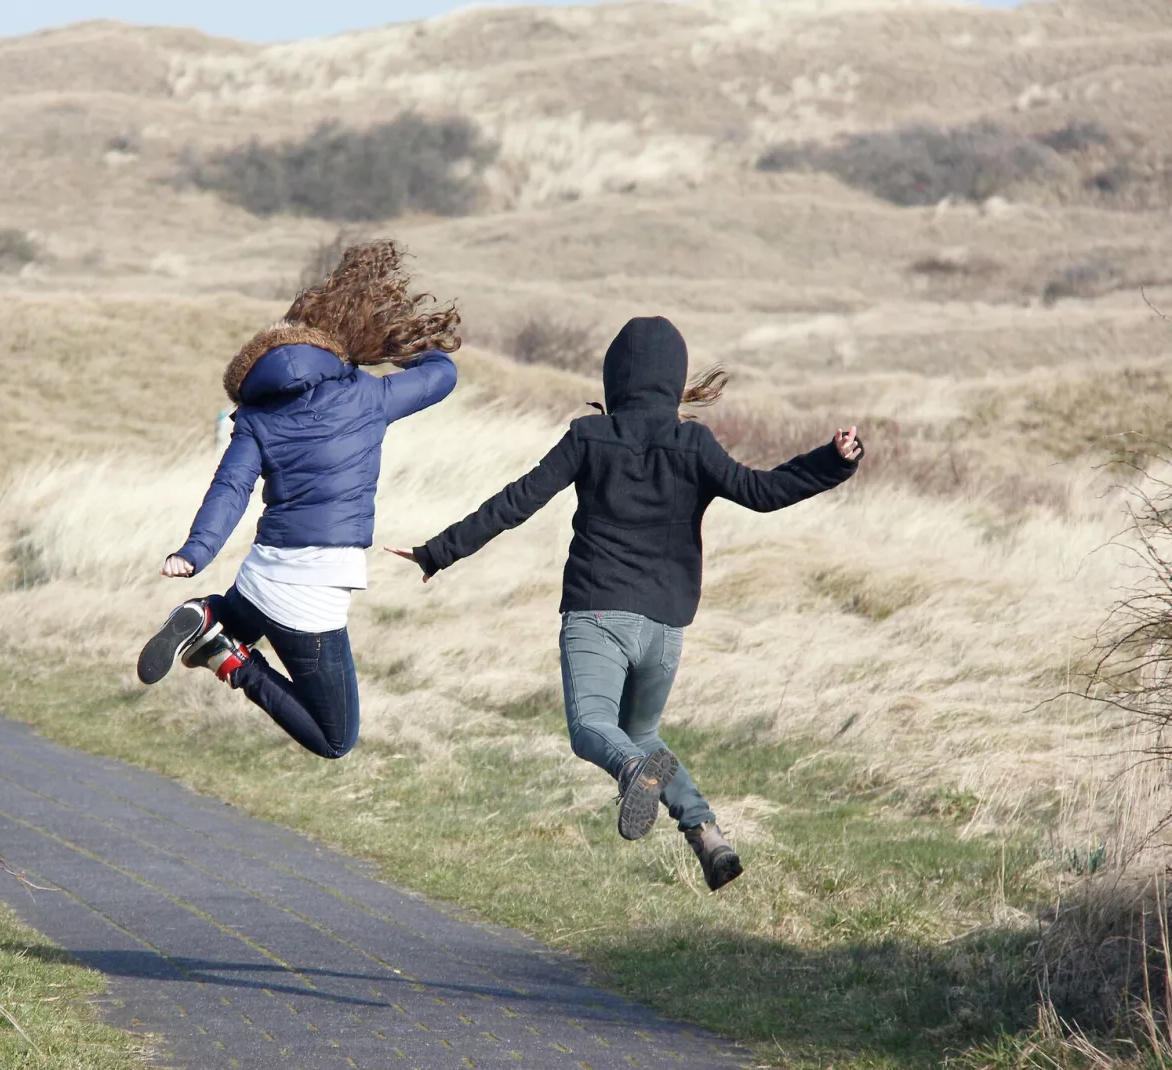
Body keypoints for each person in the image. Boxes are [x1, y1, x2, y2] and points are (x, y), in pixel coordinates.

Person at [388, 316, 862, 891]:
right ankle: (707, 834)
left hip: (598, 611)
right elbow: (762, 493)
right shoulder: (694, 444)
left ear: (615, 377)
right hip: (663, 626)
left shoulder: (590, 437)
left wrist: (439, 551)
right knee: (641, 733)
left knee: (593, 727)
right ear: (672, 380)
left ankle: (637, 774)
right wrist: (832, 462)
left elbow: (517, 501)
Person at [136, 240, 460, 761]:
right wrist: (398, 343)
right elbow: (442, 375)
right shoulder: (367, 396)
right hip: (314, 588)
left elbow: (231, 489)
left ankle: (209, 613)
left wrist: (194, 552)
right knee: (335, 737)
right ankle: (232, 661)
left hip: (267, 570)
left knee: (250, 612)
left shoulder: (257, 419)